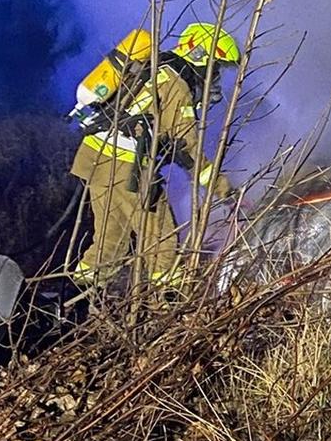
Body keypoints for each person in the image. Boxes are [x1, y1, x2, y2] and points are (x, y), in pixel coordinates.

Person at [70, 22, 239, 288]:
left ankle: (74, 300)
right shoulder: (176, 85)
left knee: (109, 242)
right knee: (161, 241)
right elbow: (188, 149)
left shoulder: (154, 68)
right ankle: (169, 302)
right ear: (200, 56)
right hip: (127, 168)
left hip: (95, 158)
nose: (215, 76)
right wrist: (226, 190)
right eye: (215, 67)